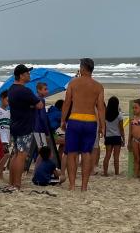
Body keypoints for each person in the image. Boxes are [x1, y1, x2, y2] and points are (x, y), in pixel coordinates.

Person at [61, 58, 105, 191]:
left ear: (83, 68)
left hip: (75, 119)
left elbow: (67, 102)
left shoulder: (73, 83)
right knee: (87, 153)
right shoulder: (98, 86)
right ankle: (84, 186)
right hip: (90, 121)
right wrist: (102, 125)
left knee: (72, 153)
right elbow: (101, 108)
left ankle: (72, 185)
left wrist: (63, 120)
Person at [7, 65, 42, 190]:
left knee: (16, 154)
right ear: (21, 75)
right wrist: (32, 105)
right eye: (27, 73)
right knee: (22, 155)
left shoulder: (11, 89)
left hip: (15, 124)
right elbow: (39, 105)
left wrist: (30, 105)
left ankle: (11, 182)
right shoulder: (24, 91)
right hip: (24, 126)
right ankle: (17, 184)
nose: (29, 75)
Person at [27, 82, 52, 172]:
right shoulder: (41, 100)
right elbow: (42, 117)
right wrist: (46, 130)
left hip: (33, 127)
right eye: (45, 89)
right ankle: (38, 170)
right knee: (42, 150)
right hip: (39, 128)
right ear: (39, 90)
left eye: (47, 89)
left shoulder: (34, 99)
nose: (47, 91)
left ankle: (38, 169)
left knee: (39, 150)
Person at [102, 96, 125, 176]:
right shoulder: (119, 115)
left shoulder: (105, 115)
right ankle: (117, 173)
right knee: (116, 157)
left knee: (107, 155)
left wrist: (105, 136)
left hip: (108, 136)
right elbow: (121, 129)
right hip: (117, 137)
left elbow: (104, 128)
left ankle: (105, 172)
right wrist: (123, 139)